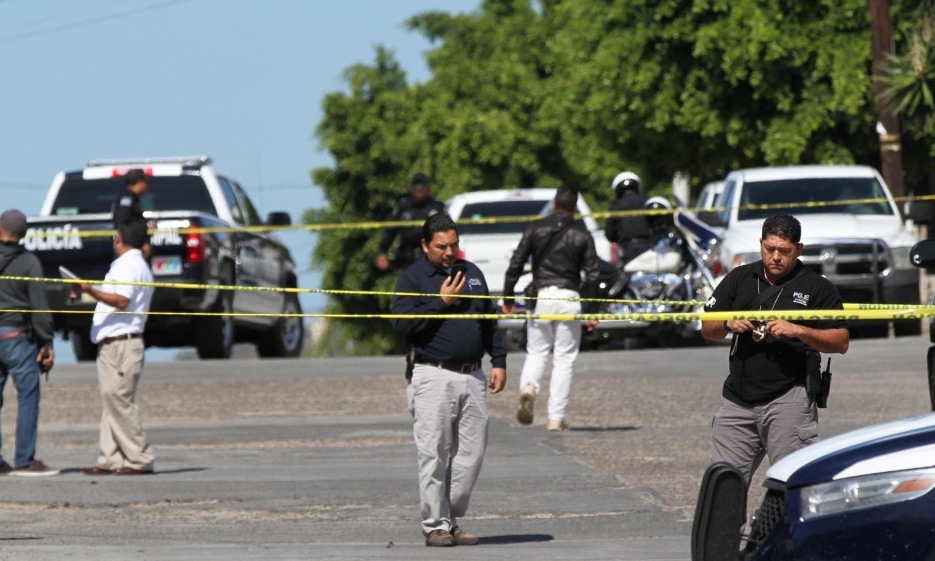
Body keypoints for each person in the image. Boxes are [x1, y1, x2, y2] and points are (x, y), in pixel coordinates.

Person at [701, 214, 849, 485]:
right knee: (722, 486)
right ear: (761, 245)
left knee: (790, 486)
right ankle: (729, 529)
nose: (776, 257)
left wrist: (799, 330)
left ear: (799, 249)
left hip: (788, 398)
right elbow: (706, 327)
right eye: (769, 249)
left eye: (784, 250)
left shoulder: (817, 288)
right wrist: (726, 322)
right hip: (737, 399)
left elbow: (840, 342)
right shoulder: (740, 278)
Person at [391, 212, 507, 547]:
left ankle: (450, 516)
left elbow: (490, 321)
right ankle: (435, 526)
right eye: (442, 246)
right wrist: (440, 302)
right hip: (432, 374)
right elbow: (401, 325)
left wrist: (498, 359)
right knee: (434, 454)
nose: (449, 252)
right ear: (425, 245)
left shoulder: (472, 274)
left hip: (473, 375)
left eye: (454, 244)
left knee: (471, 455)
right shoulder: (412, 279)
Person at [502, 186, 600, 432]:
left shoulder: (536, 227)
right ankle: (556, 417)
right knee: (564, 359)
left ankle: (529, 387)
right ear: (576, 207)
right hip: (569, 296)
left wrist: (508, 297)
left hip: (542, 296)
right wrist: (592, 310)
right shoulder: (582, 234)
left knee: (536, 350)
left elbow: (516, 263)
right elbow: (593, 274)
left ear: (554, 204)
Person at [80, 218, 156, 476]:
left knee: (118, 399)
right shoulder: (135, 264)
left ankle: (140, 457)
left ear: (119, 239)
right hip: (113, 342)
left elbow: (122, 300)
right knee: (111, 399)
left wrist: (91, 290)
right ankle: (109, 458)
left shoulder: (128, 264)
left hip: (123, 344)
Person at [0, 209, 59, 477]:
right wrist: (46, 342)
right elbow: (39, 308)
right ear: (23, 234)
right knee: (28, 396)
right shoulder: (29, 263)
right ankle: (24, 460)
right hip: (16, 337)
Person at [376, 172, 446, 272]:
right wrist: (383, 252)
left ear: (428, 188)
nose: (419, 189)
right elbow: (390, 230)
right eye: (416, 186)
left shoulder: (436, 207)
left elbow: (447, 231)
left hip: (430, 259)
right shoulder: (403, 207)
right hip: (406, 260)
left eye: (423, 186)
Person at [604, 171, 653, 265]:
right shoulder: (647, 202)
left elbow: (609, 234)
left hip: (628, 250)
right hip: (649, 247)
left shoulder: (615, 207)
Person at [113, 168, 152, 259]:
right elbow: (122, 222)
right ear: (139, 182)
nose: (147, 186)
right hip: (129, 249)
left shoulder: (132, 198)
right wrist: (140, 243)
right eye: (146, 182)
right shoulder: (127, 198)